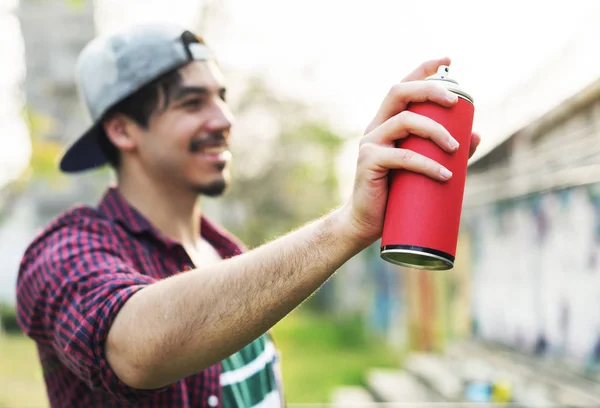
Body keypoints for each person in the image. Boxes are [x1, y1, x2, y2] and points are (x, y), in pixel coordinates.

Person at [15, 23, 481, 408]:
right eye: (191, 103)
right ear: (121, 130)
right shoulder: (62, 250)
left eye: (220, 97)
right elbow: (132, 349)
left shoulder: (226, 252)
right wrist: (346, 226)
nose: (223, 118)